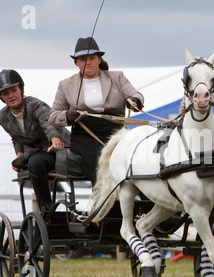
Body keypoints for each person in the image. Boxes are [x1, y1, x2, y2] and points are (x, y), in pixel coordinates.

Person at [48, 37, 144, 185]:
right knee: (99, 162)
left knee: (139, 158)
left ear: (99, 59)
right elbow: (53, 116)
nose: (88, 62)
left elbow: (137, 95)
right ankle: (105, 200)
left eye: (92, 58)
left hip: (115, 131)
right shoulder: (65, 85)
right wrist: (68, 115)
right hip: (85, 134)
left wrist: (134, 101)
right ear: (76, 62)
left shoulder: (117, 77)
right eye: (82, 59)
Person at [0, 69, 71, 211]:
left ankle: (45, 209)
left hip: (59, 149)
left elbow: (48, 123)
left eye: (14, 90)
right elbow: (15, 138)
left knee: (35, 162)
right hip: (37, 152)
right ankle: (46, 211)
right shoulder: (2, 116)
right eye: (6, 93)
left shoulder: (34, 105)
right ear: (1, 97)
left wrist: (55, 140)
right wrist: (19, 156)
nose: (11, 96)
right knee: (33, 161)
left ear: (21, 89)